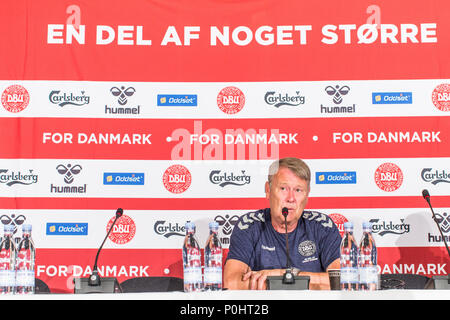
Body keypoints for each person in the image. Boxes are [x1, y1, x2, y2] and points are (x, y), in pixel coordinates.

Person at [223, 157, 341, 290]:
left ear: (307, 194)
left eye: (298, 190)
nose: (291, 198)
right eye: (284, 188)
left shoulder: (322, 226)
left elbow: (339, 281)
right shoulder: (249, 226)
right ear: (268, 190)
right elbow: (231, 283)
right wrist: (301, 281)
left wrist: (284, 275)